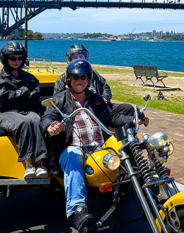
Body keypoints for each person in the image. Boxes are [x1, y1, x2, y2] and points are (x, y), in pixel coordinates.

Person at [40, 59, 149, 233]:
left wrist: (133, 120)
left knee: (126, 145)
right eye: (75, 76)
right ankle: (79, 210)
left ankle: (145, 185)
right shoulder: (59, 100)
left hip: (98, 149)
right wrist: (51, 125)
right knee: (74, 153)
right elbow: (47, 117)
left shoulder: (96, 99)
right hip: (72, 150)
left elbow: (111, 118)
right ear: (69, 79)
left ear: (88, 79)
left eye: (83, 76)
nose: (79, 80)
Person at [0, 41, 48, 179]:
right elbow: (2, 101)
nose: (17, 61)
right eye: (13, 58)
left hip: (26, 111)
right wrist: (23, 91)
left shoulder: (30, 78)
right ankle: (29, 165)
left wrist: (14, 96)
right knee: (24, 123)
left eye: (20, 58)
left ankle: (40, 164)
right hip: (3, 113)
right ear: (5, 58)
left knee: (37, 121)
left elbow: (34, 98)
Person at [54, 44, 134, 116]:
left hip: (99, 106)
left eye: (81, 57)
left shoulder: (94, 74)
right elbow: (57, 98)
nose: (79, 60)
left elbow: (105, 87)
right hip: (76, 110)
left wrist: (105, 98)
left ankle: (127, 131)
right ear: (69, 59)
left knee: (128, 108)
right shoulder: (63, 78)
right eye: (75, 57)